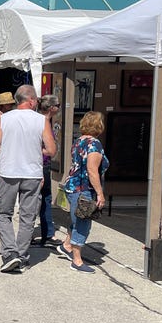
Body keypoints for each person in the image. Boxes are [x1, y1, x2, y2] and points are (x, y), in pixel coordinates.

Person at [0, 85, 56, 273]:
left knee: (3, 213)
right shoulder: (42, 120)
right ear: (32, 100)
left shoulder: (4, 118)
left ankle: (10, 253)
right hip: (32, 174)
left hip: (9, 172)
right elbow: (51, 150)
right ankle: (22, 256)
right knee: (27, 217)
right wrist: (36, 150)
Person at [57, 111, 108, 274]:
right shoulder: (94, 144)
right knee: (83, 223)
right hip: (83, 189)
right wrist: (100, 194)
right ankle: (76, 260)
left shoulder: (78, 141)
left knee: (75, 219)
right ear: (99, 126)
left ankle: (66, 245)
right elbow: (92, 170)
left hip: (72, 187)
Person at [36, 94, 63, 247]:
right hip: (41, 165)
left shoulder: (44, 121)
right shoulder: (43, 122)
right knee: (44, 198)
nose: (59, 108)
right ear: (52, 108)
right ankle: (48, 234)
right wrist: (45, 150)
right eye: (58, 105)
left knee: (43, 199)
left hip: (42, 164)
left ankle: (48, 232)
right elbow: (43, 148)